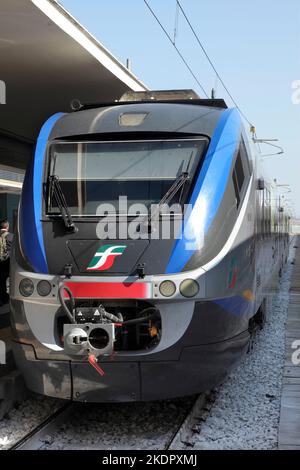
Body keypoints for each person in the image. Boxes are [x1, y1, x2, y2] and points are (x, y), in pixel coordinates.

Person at [0, 220, 13, 305]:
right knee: (12, 279)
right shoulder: (12, 236)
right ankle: (10, 297)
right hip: (8, 262)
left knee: (1, 280)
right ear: (7, 227)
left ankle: (2, 298)